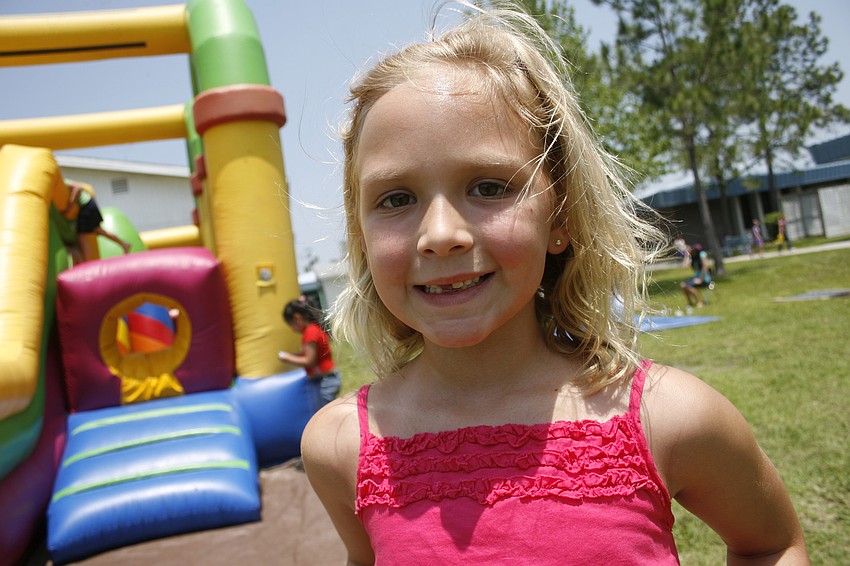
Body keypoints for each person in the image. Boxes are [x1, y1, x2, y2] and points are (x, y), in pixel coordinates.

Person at [300, 4, 808, 564]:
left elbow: (771, 544)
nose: (440, 235)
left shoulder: (671, 420)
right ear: (362, 235)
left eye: (489, 187)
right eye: (396, 199)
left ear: (560, 217)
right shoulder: (339, 447)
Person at [278, 298, 341, 408]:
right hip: (328, 379)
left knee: (323, 414)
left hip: (324, 382)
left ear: (297, 318)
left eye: (291, 325)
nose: (292, 329)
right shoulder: (314, 329)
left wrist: (286, 357)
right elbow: (312, 355)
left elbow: (309, 361)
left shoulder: (310, 333)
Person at [62, 180, 132, 263]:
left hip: (86, 206)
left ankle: (87, 263)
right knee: (98, 230)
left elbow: (78, 187)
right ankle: (124, 244)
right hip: (89, 204)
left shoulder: (64, 181)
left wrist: (70, 205)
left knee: (81, 235)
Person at [680, 243, 712, 308]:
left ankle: (699, 302)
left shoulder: (702, 254)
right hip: (696, 278)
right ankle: (690, 303)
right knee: (683, 285)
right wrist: (687, 255)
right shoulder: (692, 257)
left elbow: (705, 266)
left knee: (688, 286)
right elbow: (685, 266)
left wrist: (701, 279)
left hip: (704, 278)